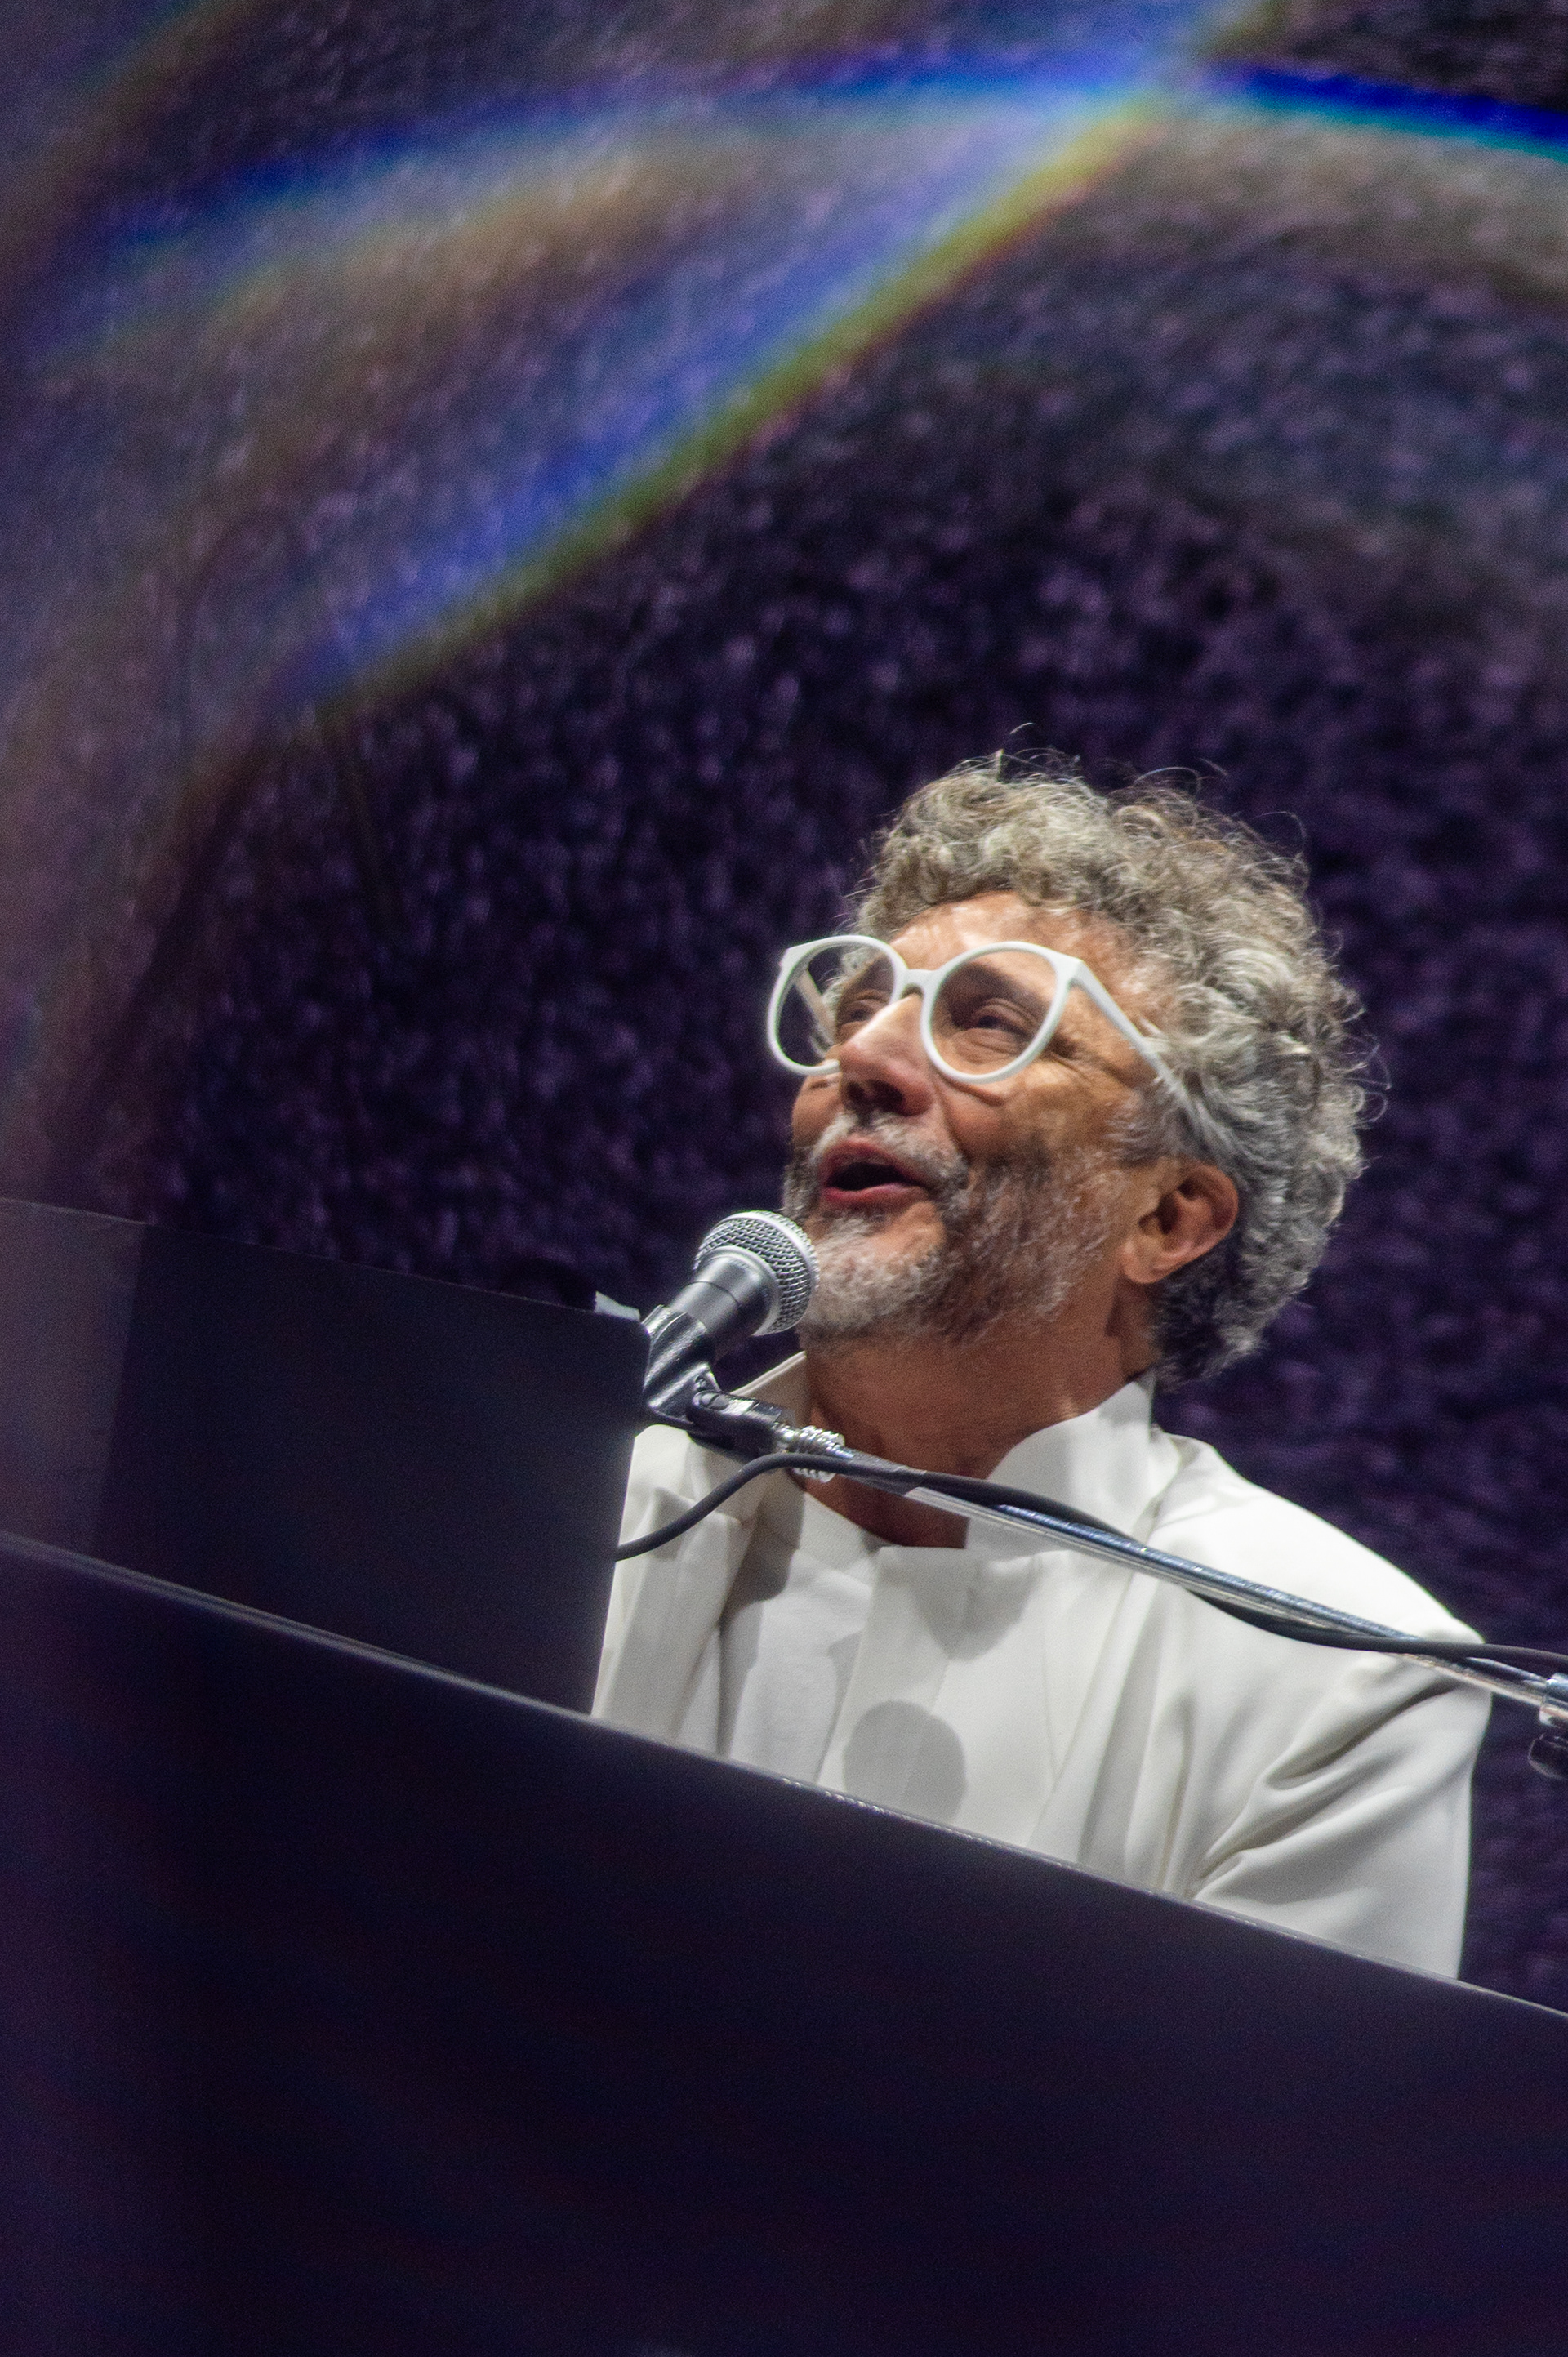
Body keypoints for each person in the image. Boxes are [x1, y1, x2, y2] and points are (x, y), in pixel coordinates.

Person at [594, 756, 1488, 1975]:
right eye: (859, 1008)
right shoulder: (572, 1496)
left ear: (1166, 1217)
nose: (866, 1060)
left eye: (990, 1024)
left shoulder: (1335, 1683)